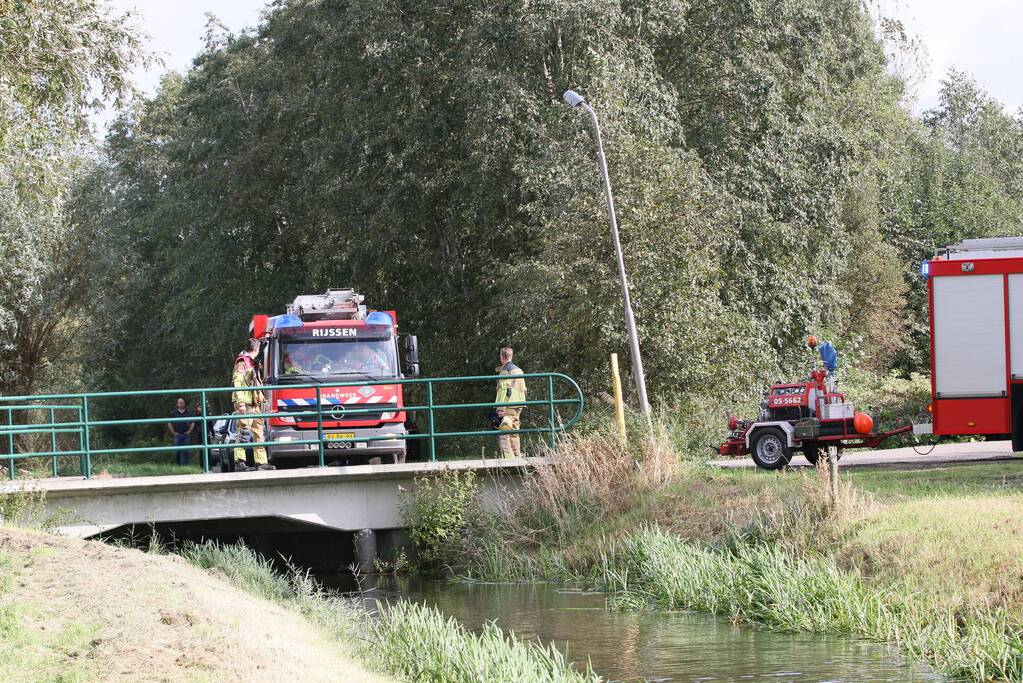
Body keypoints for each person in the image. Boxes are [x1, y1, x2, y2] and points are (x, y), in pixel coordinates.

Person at [232, 338, 273, 470]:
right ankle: (239, 462)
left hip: (255, 403)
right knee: (243, 432)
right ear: (256, 349)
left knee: (258, 433)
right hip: (245, 403)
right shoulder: (242, 362)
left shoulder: (252, 362)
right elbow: (237, 382)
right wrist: (241, 403)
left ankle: (261, 463)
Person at [494, 346, 526, 458]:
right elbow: (524, 389)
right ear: (511, 356)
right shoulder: (519, 370)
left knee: (504, 433)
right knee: (514, 432)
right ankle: (517, 457)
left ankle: (508, 460)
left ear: (502, 357)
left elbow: (504, 390)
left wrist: (501, 408)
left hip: (508, 405)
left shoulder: (505, 371)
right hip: (519, 405)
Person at [167, 398, 194, 466]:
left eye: (182, 402)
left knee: (186, 451)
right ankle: (177, 466)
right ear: (177, 404)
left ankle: (185, 466)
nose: (181, 404)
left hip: (186, 435)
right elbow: (169, 423)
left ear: (184, 403)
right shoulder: (173, 413)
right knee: (177, 451)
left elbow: (193, 423)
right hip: (177, 435)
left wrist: (189, 431)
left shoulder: (188, 412)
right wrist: (173, 432)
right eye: (180, 402)